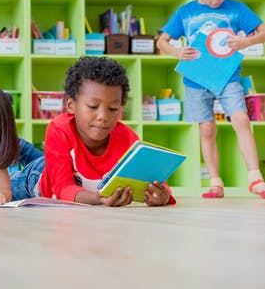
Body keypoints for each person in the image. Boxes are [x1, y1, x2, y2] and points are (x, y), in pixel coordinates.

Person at [156, 0, 265, 199]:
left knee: (241, 120)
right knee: (206, 128)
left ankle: (255, 178)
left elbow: (263, 31)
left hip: (228, 76)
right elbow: (162, 41)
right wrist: (177, 51)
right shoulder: (185, 12)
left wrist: (246, 41)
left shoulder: (236, 8)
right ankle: (215, 182)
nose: (215, 1)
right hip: (196, 78)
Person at [10, 56, 175, 206]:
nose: (103, 116)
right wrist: (99, 199)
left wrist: (163, 196)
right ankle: (12, 145)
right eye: (93, 106)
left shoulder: (128, 138)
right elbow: (62, 188)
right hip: (35, 179)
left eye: (113, 108)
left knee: (42, 157)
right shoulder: (59, 128)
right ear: (70, 104)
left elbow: (156, 182)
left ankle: (20, 148)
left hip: (58, 160)